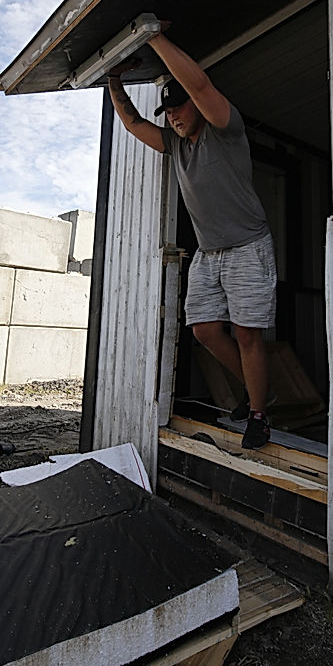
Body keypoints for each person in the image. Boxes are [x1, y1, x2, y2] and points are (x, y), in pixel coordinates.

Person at [108, 32, 276, 449]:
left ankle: (258, 414)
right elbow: (131, 122)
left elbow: (200, 86)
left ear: (195, 106)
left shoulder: (225, 129)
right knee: (203, 331)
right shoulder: (173, 144)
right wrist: (114, 82)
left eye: (178, 107)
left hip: (248, 247)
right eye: (167, 111)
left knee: (248, 334)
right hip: (208, 254)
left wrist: (155, 37)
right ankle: (258, 392)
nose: (174, 117)